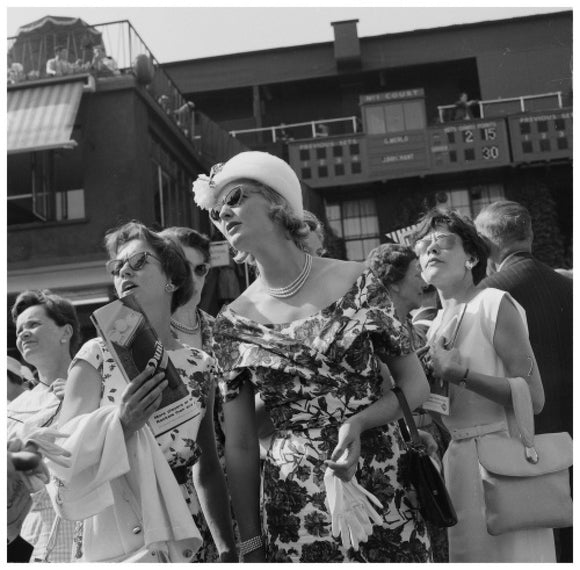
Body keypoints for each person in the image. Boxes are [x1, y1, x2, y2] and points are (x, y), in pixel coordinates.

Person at [192, 151, 432, 563]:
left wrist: (359, 421)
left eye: (235, 198)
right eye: (216, 211)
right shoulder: (230, 324)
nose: (223, 214)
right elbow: (242, 444)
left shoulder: (359, 281)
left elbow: (416, 385)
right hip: (295, 501)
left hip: (384, 477)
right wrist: (249, 543)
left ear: (277, 203)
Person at [52, 221, 236, 562]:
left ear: (173, 278)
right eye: (117, 267)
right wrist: (120, 423)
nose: (125, 271)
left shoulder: (201, 364)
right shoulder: (96, 354)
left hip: (190, 530)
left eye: (138, 262)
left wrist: (226, 545)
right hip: (123, 525)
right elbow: (60, 451)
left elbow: (207, 465)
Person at [413, 208, 555, 562]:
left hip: (503, 460)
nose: (431, 250)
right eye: (423, 245)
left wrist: (461, 376)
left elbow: (533, 396)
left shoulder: (493, 304)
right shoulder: (433, 326)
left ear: (472, 256)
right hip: (456, 462)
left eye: (443, 242)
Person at [474, 200, 573, 562]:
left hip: (526, 455)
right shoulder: (570, 289)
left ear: (486, 245)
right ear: (529, 235)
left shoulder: (485, 298)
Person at [365, 242, 450, 562]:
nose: (424, 280)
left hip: (427, 442)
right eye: (417, 273)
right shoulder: (376, 333)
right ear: (395, 282)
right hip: (397, 451)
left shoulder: (411, 327)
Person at [159, 225, 238, 562]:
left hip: (234, 490)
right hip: (168, 499)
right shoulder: (145, 340)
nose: (192, 278)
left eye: (201, 268)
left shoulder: (226, 333)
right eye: (181, 266)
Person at [8, 290, 81, 562]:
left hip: (102, 532)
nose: (23, 334)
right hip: (38, 543)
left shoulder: (103, 387)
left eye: (33, 325)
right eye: (19, 330)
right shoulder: (11, 411)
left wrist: (79, 398)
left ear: (66, 333)